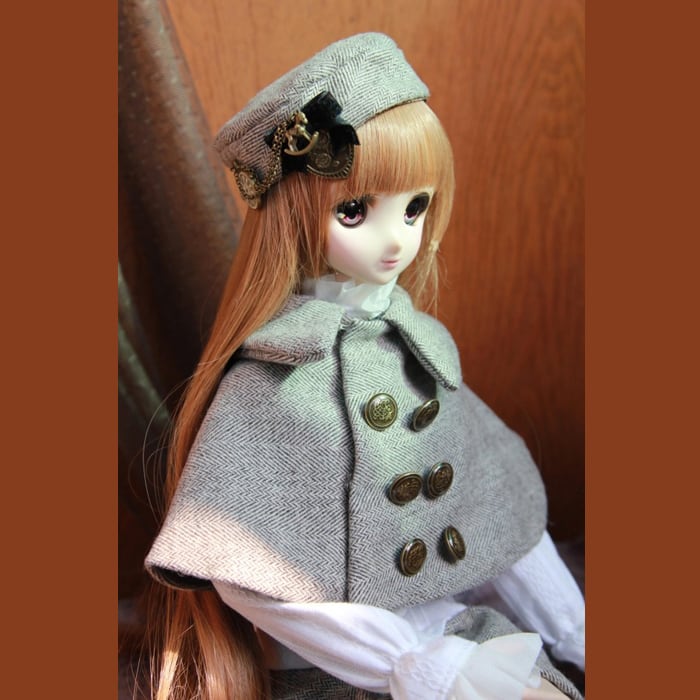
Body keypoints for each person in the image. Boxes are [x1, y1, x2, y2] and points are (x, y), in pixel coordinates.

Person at [143, 32, 585, 700]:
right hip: (340, 668)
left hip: (450, 632)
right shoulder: (271, 383)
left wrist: (574, 631)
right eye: (355, 210)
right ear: (294, 216)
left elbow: (501, 517)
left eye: (416, 207)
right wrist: (407, 664)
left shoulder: (416, 350)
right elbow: (250, 577)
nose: (397, 238)